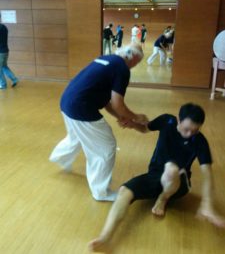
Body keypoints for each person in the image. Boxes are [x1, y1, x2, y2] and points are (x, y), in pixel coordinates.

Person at [88, 103, 225, 252]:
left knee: (171, 169)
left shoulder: (200, 141)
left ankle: (163, 198)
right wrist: (132, 124)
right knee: (124, 191)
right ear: (178, 119)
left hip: (179, 183)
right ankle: (105, 237)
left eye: (195, 130)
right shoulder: (167, 121)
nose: (189, 134)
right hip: (154, 174)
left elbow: (207, 175)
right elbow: (145, 128)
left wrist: (207, 204)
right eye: (186, 129)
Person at [49, 44, 148, 202]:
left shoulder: (106, 59)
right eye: (138, 62)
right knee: (105, 147)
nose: (136, 65)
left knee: (77, 136)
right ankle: (100, 192)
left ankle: (59, 157)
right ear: (134, 58)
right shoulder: (122, 68)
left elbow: (107, 101)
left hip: (67, 102)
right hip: (81, 108)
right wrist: (136, 117)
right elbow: (117, 103)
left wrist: (121, 117)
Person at [0, 14, 19, 89]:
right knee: (4, 66)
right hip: (5, 51)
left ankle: (3, 84)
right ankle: (14, 79)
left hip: (0, 52)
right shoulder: (4, 27)